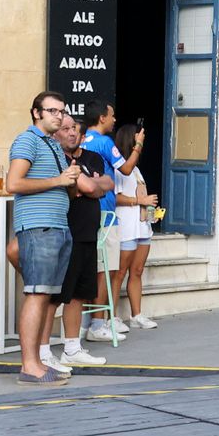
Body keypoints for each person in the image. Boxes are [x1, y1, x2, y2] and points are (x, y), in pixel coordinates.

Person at [9, 91, 80, 385]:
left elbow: (65, 189)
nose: (59, 116)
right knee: (37, 294)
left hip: (57, 226)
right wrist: (59, 180)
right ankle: (29, 367)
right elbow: (14, 182)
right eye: (52, 111)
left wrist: (71, 181)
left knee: (46, 295)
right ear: (36, 112)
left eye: (62, 111)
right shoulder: (27, 140)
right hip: (39, 227)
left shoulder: (52, 144)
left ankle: (38, 362)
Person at [44, 115, 114, 373]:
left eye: (74, 128)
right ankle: (42, 352)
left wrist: (89, 184)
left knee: (78, 294)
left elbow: (106, 184)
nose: (72, 133)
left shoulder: (92, 157)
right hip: (65, 233)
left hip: (88, 233)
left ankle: (71, 349)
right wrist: (91, 185)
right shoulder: (55, 158)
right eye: (65, 129)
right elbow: (92, 187)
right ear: (56, 134)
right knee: (54, 295)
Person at [80, 99, 144, 342]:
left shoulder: (84, 140)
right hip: (105, 213)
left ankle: (95, 322)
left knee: (97, 267)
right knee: (106, 268)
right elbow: (126, 169)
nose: (115, 120)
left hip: (88, 211)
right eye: (112, 115)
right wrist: (137, 145)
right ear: (102, 118)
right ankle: (97, 324)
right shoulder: (105, 142)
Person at [112, 122, 158, 330]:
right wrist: (141, 202)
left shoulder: (136, 169)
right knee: (119, 272)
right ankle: (111, 317)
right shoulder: (118, 168)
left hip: (141, 226)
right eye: (138, 138)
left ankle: (136, 314)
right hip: (126, 226)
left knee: (137, 271)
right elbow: (116, 198)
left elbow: (141, 196)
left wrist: (150, 212)